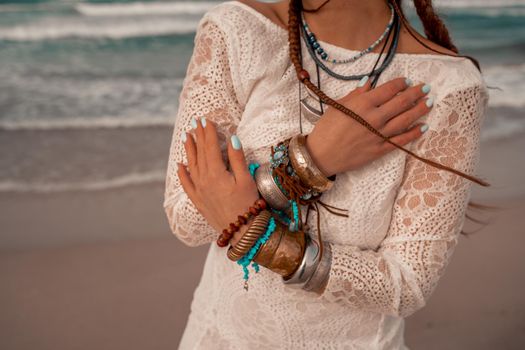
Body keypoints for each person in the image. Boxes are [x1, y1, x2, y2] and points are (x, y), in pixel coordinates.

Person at [163, 0, 489, 348]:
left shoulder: (451, 87)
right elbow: (187, 217)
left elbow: (406, 285)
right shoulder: (237, 31)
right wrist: (311, 161)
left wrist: (261, 240)